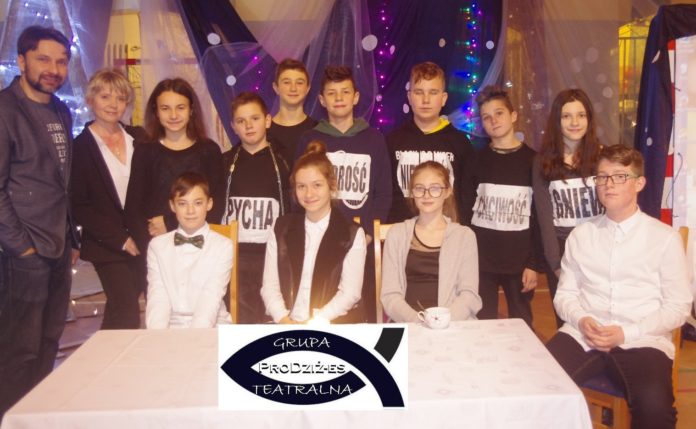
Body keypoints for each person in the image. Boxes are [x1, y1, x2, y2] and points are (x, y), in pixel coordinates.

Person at [547, 145, 693, 429]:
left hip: (641, 339)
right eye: (602, 176)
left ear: (639, 183)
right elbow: (565, 295)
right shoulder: (581, 234)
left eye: (619, 176)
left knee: (655, 410)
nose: (608, 184)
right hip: (583, 334)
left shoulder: (664, 238)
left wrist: (626, 332)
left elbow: (678, 307)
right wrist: (582, 319)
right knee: (536, 386)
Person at [0, 26, 77, 416]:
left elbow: (62, 182)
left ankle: (36, 418)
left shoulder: (61, 110)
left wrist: (72, 238)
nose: (53, 69)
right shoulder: (4, 111)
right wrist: (22, 247)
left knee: (49, 342)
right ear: (21, 60)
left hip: (58, 247)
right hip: (23, 252)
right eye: (43, 59)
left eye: (61, 61)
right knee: (20, 350)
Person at [71, 68, 147, 330]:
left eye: (120, 98)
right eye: (105, 97)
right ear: (90, 100)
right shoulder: (79, 147)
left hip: (142, 238)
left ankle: (102, 353)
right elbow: (80, 205)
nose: (113, 104)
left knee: (119, 311)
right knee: (127, 310)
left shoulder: (139, 138)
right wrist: (121, 239)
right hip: (107, 245)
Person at [461, 85, 542, 328]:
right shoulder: (475, 160)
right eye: (486, 117)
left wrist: (533, 264)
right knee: (482, 325)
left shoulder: (534, 161)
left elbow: (539, 218)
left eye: (499, 113)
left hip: (519, 263)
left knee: (521, 325)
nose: (493, 121)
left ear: (513, 115)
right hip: (482, 261)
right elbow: (465, 211)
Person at [261, 141, 366, 324]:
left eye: (317, 185)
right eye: (301, 186)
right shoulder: (281, 228)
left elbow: (350, 293)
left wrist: (314, 323)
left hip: (330, 324)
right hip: (286, 323)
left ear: (331, 186)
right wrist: (284, 320)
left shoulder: (351, 234)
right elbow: (269, 287)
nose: (309, 194)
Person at [125, 77, 224, 256]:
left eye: (180, 107)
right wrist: (150, 251)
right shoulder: (145, 151)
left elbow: (216, 205)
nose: (173, 115)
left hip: (199, 249)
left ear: (191, 110)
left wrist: (170, 222)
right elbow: (133, 209)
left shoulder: (209, 151)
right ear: (156, 112)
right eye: (165, 108)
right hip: (155, 248)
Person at [533, 88, 604, 328]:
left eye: (581, 115)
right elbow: (545, 219)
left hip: (598, 250)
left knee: (600, 318)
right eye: (567, 116)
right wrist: (555, 264)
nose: (575, 122)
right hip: (562, 252)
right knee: (567, 323)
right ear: (557, 120)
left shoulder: (603, 158)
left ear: (589, 119)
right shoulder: (542, 162)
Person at [296, 65, 391, 237]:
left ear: (356, 97)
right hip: (317, 236)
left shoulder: (374, 139)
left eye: (345, 92)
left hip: (362, 236)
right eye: (331, 93)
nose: (339, 98)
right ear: (322, 100)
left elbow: (383, 193)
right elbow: (298, 189)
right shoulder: (309, 139)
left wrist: (369, 234)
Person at [381, 161, 481, 322]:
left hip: (452, 323)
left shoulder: (464, 236)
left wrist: (441, 322)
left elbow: (469, 295)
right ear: (412, 193)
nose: (426, 195)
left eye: (434, 188)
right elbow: (390, 295)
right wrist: (418, 321)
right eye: (419, 188)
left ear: (447, 191)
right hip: (407, 322)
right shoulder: (397, 234)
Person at [222, 92, 290, 323]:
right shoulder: (225, 162)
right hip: (235, 257)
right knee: (240, 319)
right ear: (233, 126)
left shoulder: (284, 162)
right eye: (241, 121)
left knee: (272, 316)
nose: (248, 126)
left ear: (267, 120)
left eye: (255, 118)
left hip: (272, 256)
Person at [386, 61, 473, 223]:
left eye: (433, 92)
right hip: (401, 231)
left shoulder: (460, 143)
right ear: (409, 97)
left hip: (446, 231)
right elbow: (384, 193)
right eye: (419, 92)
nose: (425, 100)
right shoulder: (391, 141)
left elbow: (467, 197)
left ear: (443, 98)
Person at [145, 172, 232, 329]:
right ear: (172, 206)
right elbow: (158, 296)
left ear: (209, 204)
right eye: (182, 204)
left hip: (212, 326)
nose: (190, 211)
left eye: (198, 203)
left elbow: (210, 297)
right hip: (171, 327)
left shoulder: (223, 246)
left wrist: (193, 339)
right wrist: (157, 336)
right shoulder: (157, 246)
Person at [267, 58, 317, 168]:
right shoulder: (264, 133)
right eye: (286, 82)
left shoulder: (317, 131)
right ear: (276, 87)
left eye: (299, 83)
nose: (293, 88)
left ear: (308, 88)